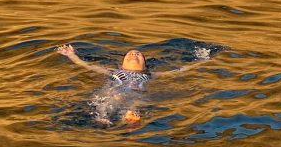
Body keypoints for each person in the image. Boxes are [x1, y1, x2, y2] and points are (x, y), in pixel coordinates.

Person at [56, 43, 213, 127]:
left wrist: (201, 61)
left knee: (136, 102)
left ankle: (130, 117)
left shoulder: (150, 74)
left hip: (137, 93)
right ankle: (102, 118)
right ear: (122, 63)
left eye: (138, 54)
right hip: (115, 90)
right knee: (108, 99)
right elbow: (87, 65)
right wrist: (71, 54)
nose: (133, 54)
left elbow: (178, 70)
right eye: (130, 54)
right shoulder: (112, 71)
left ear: (145, 65)